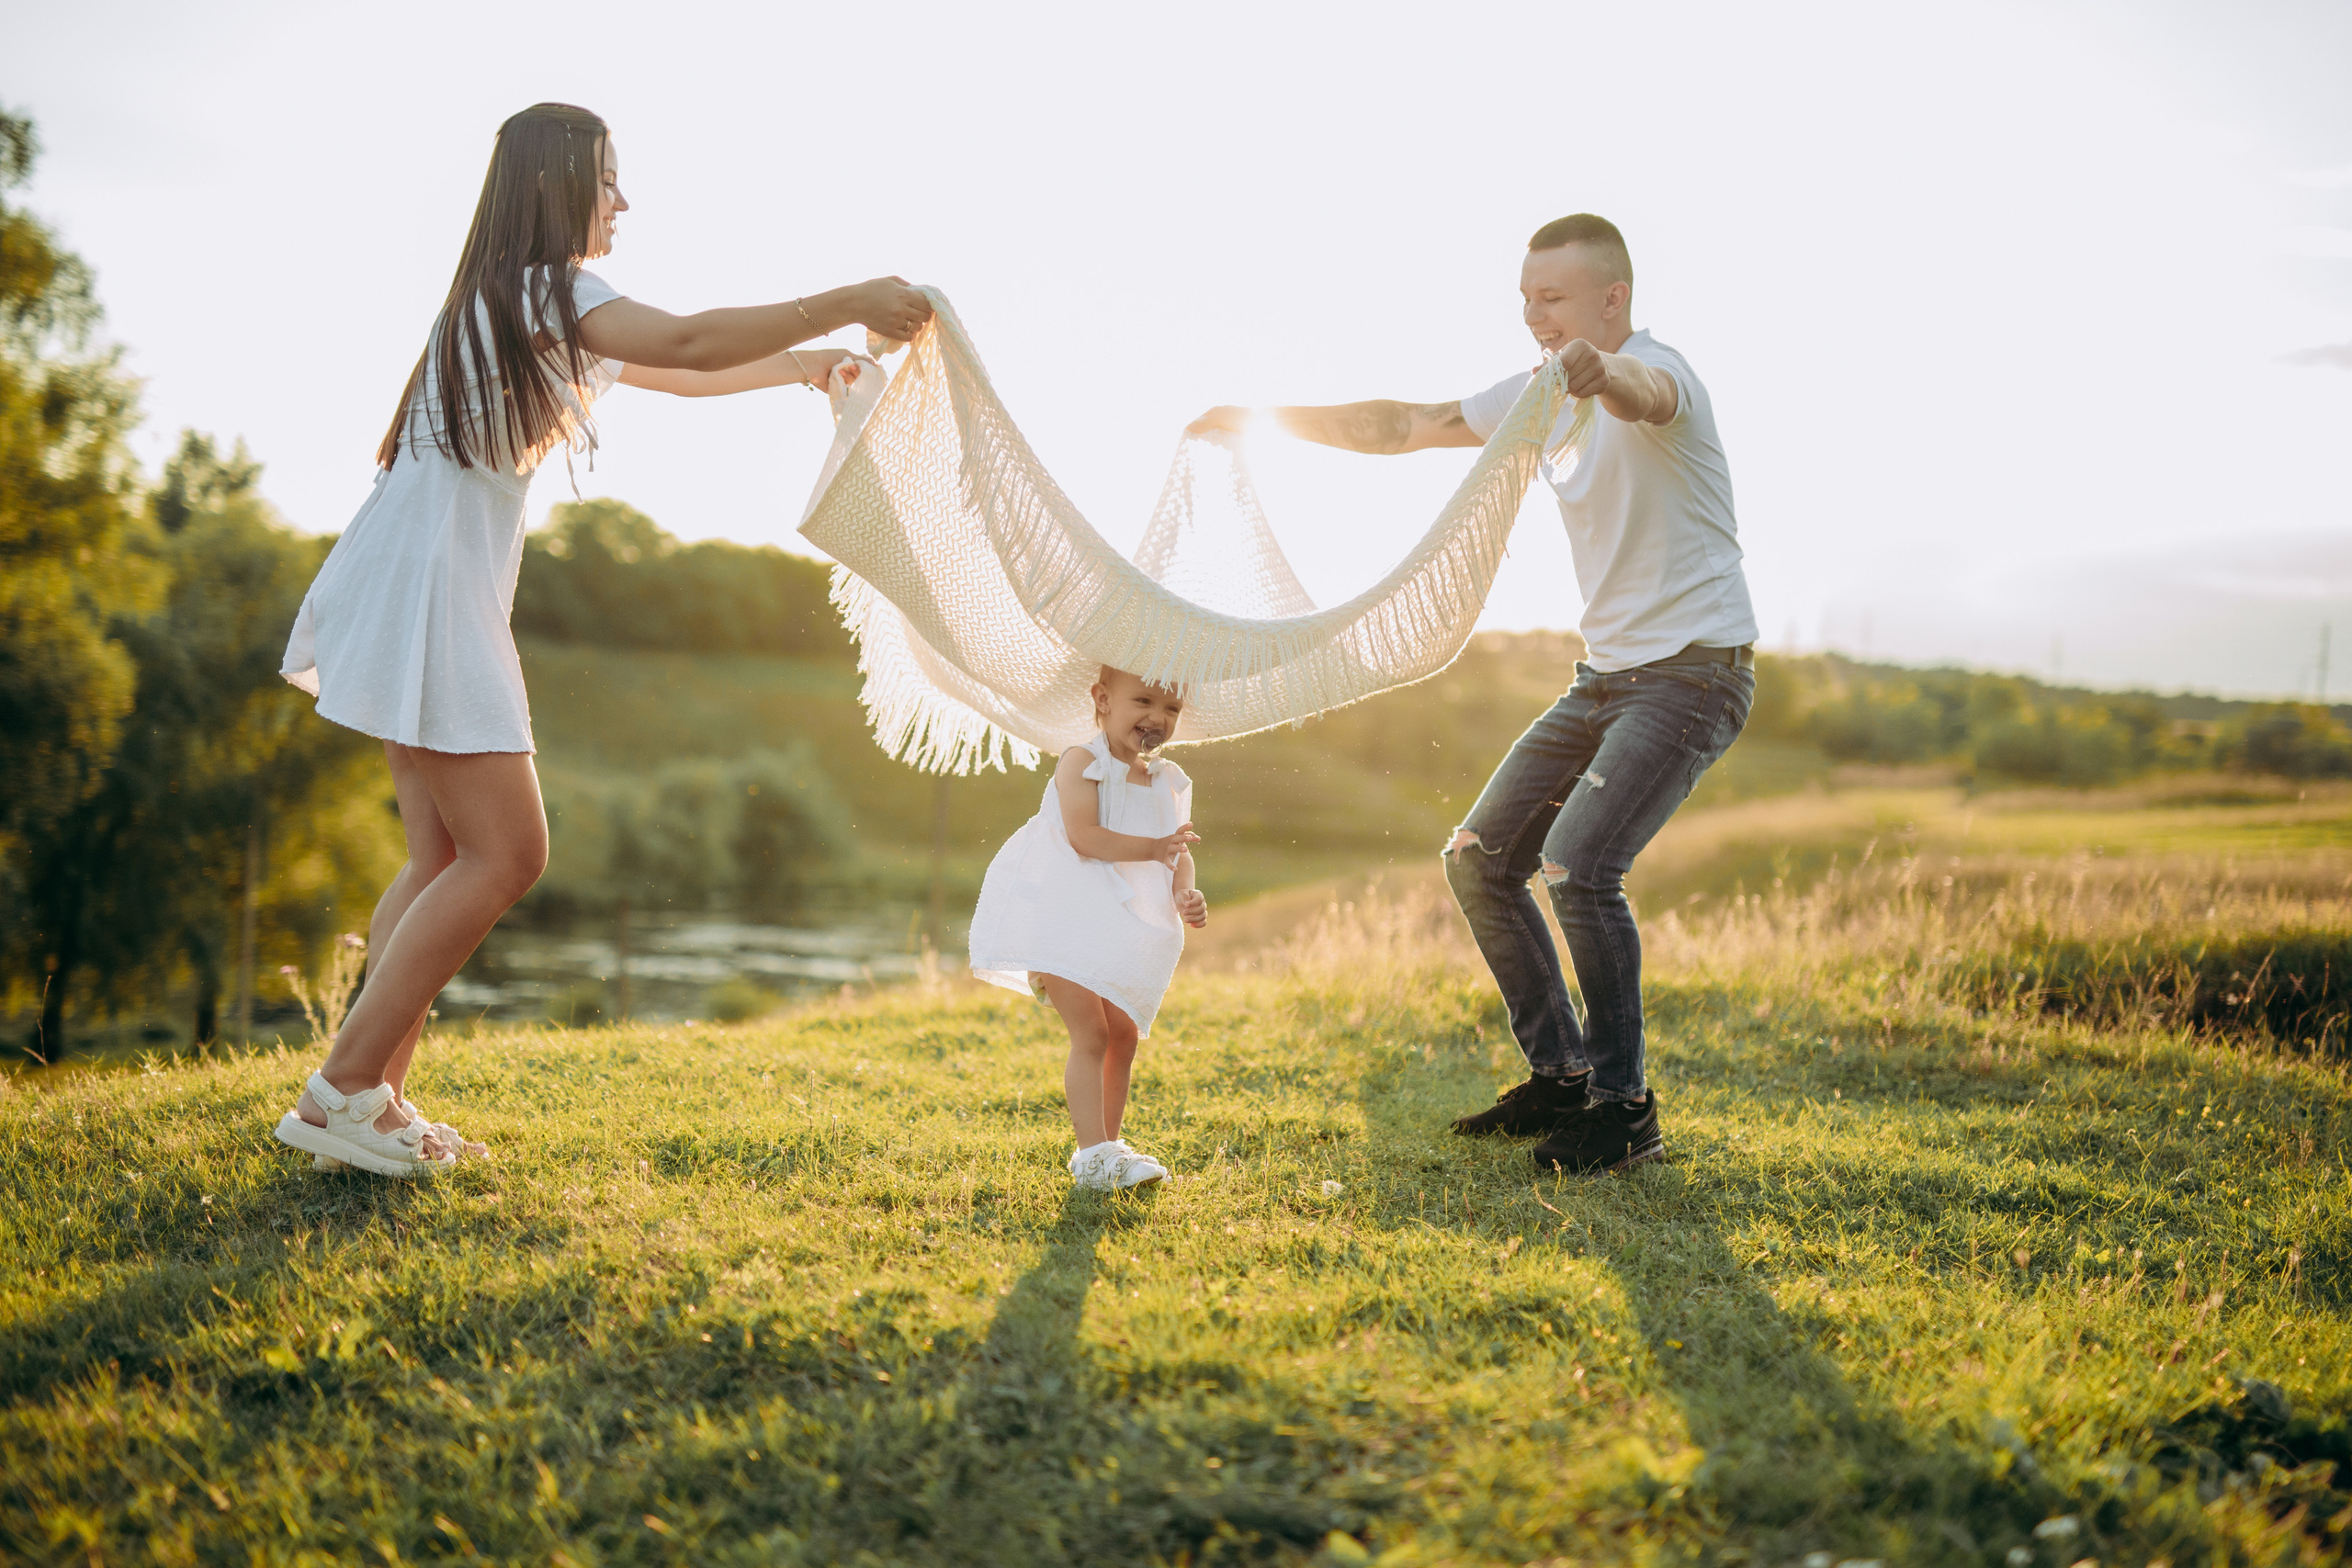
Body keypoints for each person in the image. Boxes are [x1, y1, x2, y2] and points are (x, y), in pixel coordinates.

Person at [273, 102, 933, 1178]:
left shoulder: (505, 300)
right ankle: (341, 1088)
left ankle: (373, 1101)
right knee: (509, 852)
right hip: (431, 593)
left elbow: (681, 368)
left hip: (396, 579)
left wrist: (807, 363)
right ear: (557, 186)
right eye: (610, 180)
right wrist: (849, 297)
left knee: (441, 856)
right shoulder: (548, 287)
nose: (625, 201)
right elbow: (681, 338)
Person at [1190, 214, 1757, 1175]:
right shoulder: (1537, 391)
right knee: (1479, 859)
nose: (1533, 314)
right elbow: (1409, 425)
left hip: (1693, 675)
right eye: (1527, 297)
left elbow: (1644, 393)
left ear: (1611, 299)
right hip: (1604, 678)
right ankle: (1562, 1077)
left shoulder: (1662, 373)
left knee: (1580, 869)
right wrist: (1265, 420)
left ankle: (1625, 1112)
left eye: (1554, 298)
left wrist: (1599, 368)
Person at [967, 668, 1209, 1192]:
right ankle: (1091, 1154)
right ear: (1102, 699)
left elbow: (1175, 850)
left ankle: (1108, 1150)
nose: (1157, 717)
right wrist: (1153, 849)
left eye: (1171, 708)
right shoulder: (1083, 762)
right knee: (1093, 1033)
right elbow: (1083, 837)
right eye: (1143, 700)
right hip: (1062, 916)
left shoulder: (1168, 780)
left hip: (1116, 927)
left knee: (1123, 1034)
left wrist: (1182, 891)